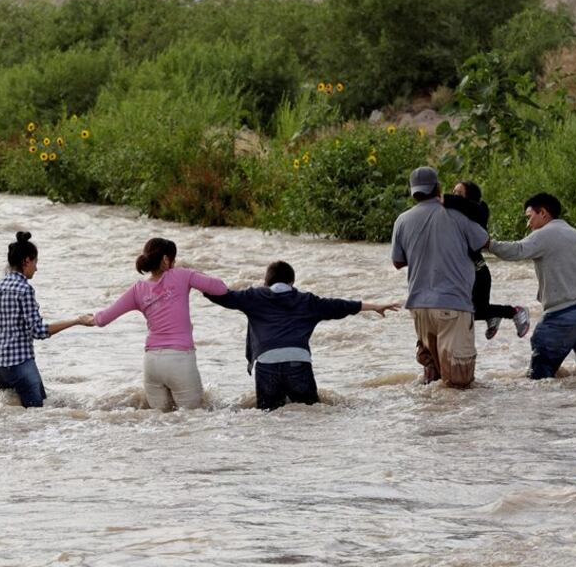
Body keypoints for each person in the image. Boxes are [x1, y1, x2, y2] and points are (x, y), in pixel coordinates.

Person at [205, 260, 400, 410]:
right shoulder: (307, 301)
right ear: (292, 282)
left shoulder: (254, 297)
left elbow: (224, 296)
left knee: (268, 416)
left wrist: (195, 282)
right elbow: (340, 306)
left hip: (267, 363)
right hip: (298, 362)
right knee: (310, 411)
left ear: (266, 281)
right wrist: (375, 306)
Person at [89, 238, 228, 412]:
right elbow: (221, 288)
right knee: (194, 422)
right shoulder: (182, 274)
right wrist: (195, 272)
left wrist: (85, 319)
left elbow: (102, 319)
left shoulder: (137, 289)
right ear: (165, 260)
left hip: (152, 363)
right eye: (174, 260)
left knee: (159, 425)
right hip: (180, 360)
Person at [0, 232, 93, 408]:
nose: (36, 268)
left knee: (16, 418)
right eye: (35, 262)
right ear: (26, 261)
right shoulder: (24, 289)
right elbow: (39, 331)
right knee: (38, 415)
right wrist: (76, 321)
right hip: (19, 366)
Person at [391, 166, 490, 388]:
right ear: (438, 188)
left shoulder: (402, 220)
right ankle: (459, 425)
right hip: (453, 306)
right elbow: (483, 241)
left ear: (413, 192)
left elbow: (397, 262)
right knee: (459, 385)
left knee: (432, 379)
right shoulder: (457, 216)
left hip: (419, 308)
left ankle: (433, 423)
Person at [487, 193, 576, 379]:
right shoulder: (574, 233)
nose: (528, 224)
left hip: (562, 316)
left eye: (529, 217)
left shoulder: (544, 234)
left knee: (538, 378)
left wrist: (488, 244)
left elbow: (517, 251)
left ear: (543, 213)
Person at [444, 180, 530, 339]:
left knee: (470, 311)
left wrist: (438, 199)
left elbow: (461, 204)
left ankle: (515, 311)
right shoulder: (455, 214)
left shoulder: (478, 210)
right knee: (466, 311)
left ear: (470, 197)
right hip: (473, 271)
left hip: (477, 272)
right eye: (453, 192)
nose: (454, 197)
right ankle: (493, 315)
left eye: (459, 193)